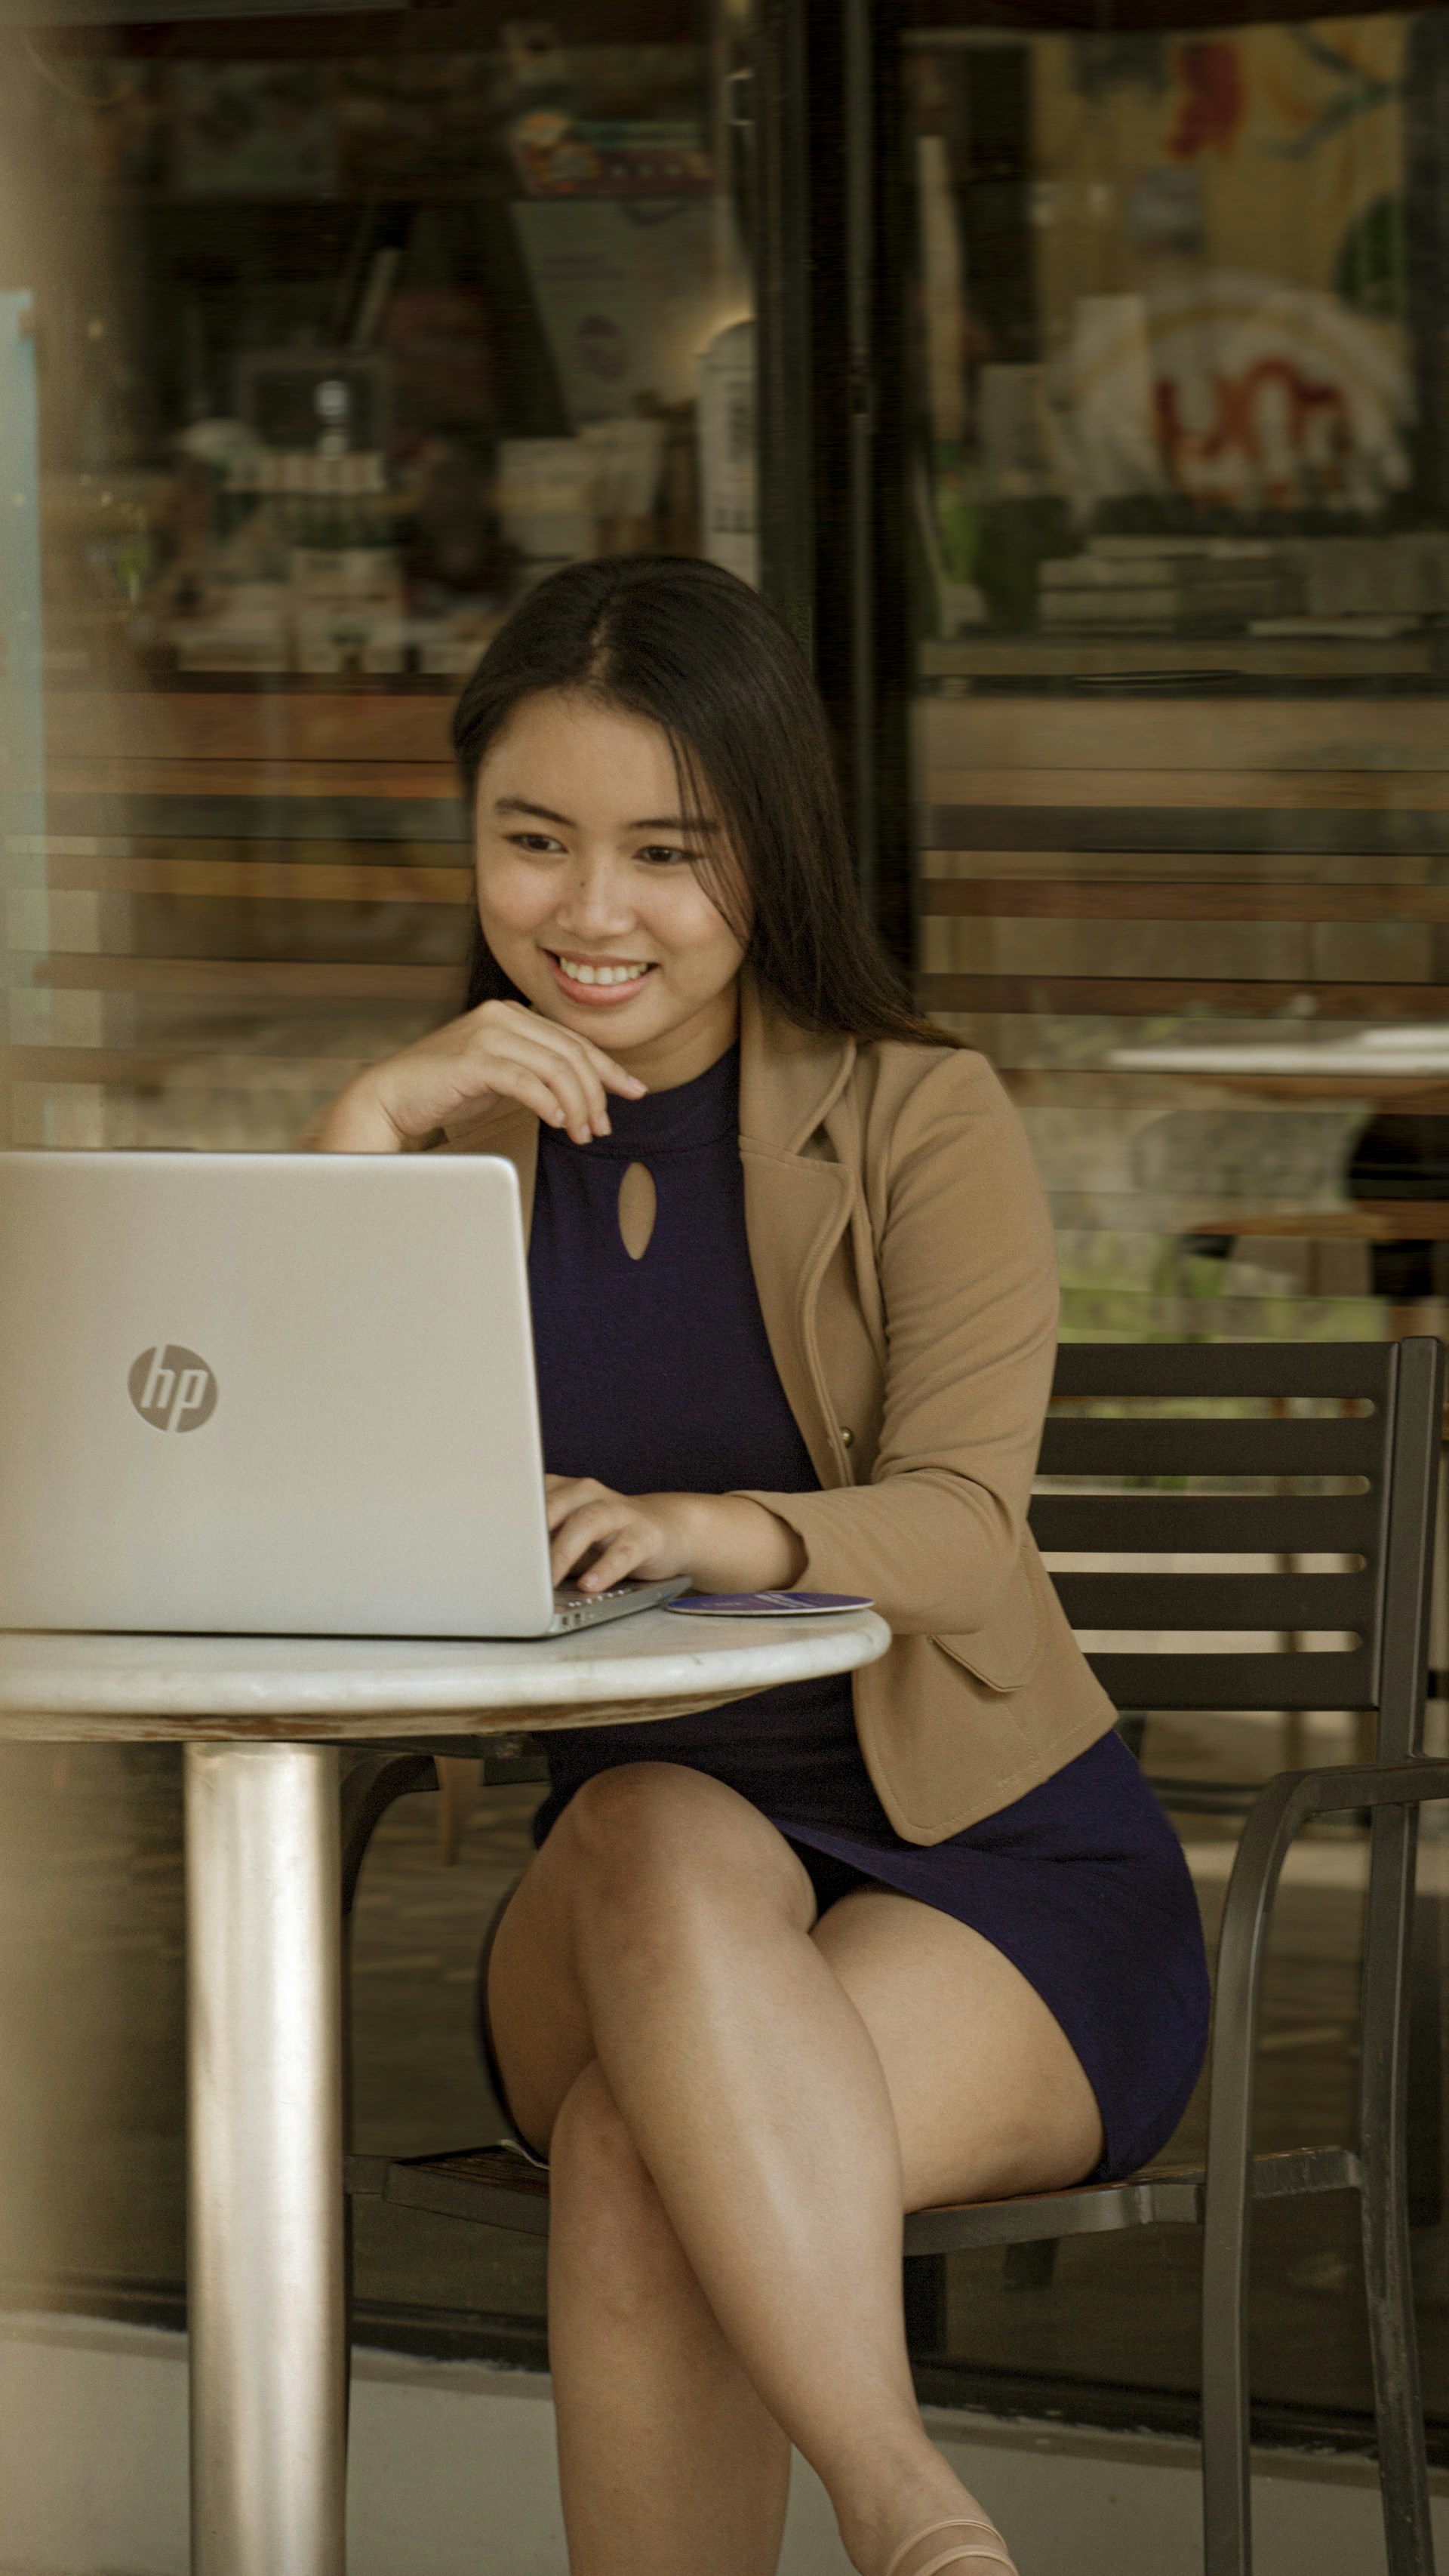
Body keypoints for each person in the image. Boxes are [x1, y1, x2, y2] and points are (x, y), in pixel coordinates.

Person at [313, 556, 1211, 2576]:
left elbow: (971, 1531)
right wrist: (364, 1125)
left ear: (766, 851)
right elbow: (309, 1514)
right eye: (533, 843)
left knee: (644, 2146)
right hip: (627, 1893)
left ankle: (897, 2516)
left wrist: (718, 1536)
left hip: (995, 1876)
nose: (589, 910)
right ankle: (916, 2516)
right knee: (649, 1818)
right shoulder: (463, 1136)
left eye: (663, 850)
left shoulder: (918, 1113)